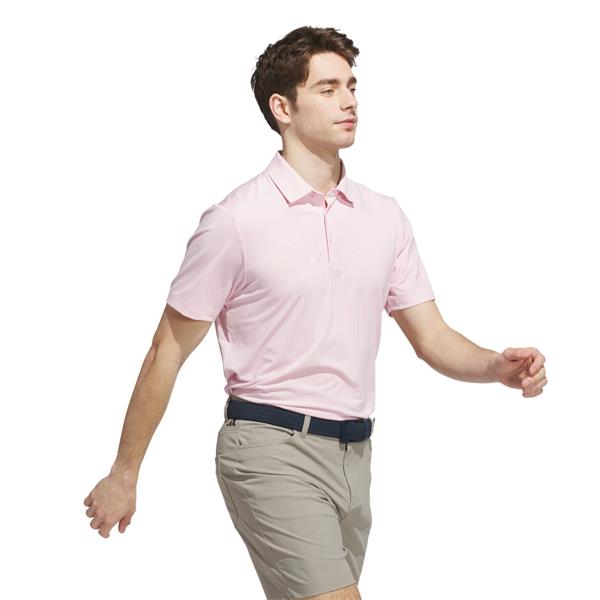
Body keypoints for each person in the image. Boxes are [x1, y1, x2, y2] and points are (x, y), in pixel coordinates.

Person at [83, 25, 548, 600]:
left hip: (356, 456)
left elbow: (432, 337)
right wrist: (125, 472)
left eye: (351, 85)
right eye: (327, 89)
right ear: (282, 108)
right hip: (268, 447)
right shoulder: (236, 221)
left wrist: (496, 367)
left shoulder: (384, 216)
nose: (349, 101)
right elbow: (168, 350)